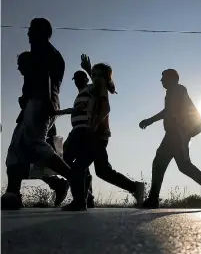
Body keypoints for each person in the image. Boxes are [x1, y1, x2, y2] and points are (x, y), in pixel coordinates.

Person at [1, 18, 72, 210]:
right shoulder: (46, 52)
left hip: (42, 102)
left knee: (34, 144)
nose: (28, 34)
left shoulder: (42, 48)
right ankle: (14, 192)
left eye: (31, 30)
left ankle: (74, 178)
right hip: (38, 103)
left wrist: (47, 100)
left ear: (42, 32)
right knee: (18, 148)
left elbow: (45, 75)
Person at [62, 62, 145, 211]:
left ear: (106, 78)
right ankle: (135, 187)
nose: (96, 78)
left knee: (79, 166)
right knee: (102, 171)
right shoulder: (95, 88)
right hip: (96, 135)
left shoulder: (101, 89)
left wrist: (93, 126)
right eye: (94, 75)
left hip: (97, 135)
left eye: (100, 75)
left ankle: (80, 201)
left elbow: (106, 108)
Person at [139, 69, 201, 209]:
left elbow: (169, 112)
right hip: (177, 133)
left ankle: (153, 199)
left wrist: (149, 120)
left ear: (172, 79)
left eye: (163, 78)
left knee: (161, 163)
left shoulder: (176, 90)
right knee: (183, 166)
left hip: (176, 133)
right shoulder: (176, 90)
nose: (161, 81)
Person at [56, 55, 97, 208]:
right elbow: (75, 109)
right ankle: (87, 198)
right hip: (78, 130)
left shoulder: (89, 89)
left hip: (82, 130)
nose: (78, 81)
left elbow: (97, 84)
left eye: (81, 78)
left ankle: (81, 198)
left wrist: (88, 67)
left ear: (86, 80)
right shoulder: (80, 93)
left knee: (65, 159)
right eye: (76, 79)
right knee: (81, 165)